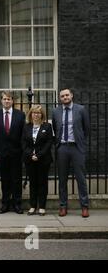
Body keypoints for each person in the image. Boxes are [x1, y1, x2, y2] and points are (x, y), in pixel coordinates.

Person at [52, 89, 90, 218]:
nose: (65, 97)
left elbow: (86, 129)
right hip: (62, 148)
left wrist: (81, 143)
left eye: (67, 95)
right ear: (60, 98)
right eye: (62, 96)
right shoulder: (55, 111)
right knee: (62, 180)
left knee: (81, 179)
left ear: (72, 96)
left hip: (77, 148)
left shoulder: (81, 109)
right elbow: (55, 129)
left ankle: (84, 206)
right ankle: (63, 206)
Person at [0, 91, 25, 214]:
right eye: (4, 99)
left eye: (9, 99)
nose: (7, 101)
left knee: (16, 179)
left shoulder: (20, 115)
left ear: (12, 101)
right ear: (1, 100)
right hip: (1, 153)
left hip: (16, 153)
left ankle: (17, 204)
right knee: (4, 179)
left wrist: (23, 151)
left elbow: (23, 135)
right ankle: (5, 204)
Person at [22, 104, 53, 216]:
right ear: (31, 114)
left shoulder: (47, 126)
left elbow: (49, 143)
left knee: (42, 183)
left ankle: (42, 207)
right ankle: (33, 206)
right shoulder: (26, 127)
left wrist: (38, 155)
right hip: (30, 160)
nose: (36, 115)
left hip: (43, 160)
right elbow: (24, 143)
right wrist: (31, 154)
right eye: (34, 112)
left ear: (42, 115)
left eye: (38, 113)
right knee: (33, 183)